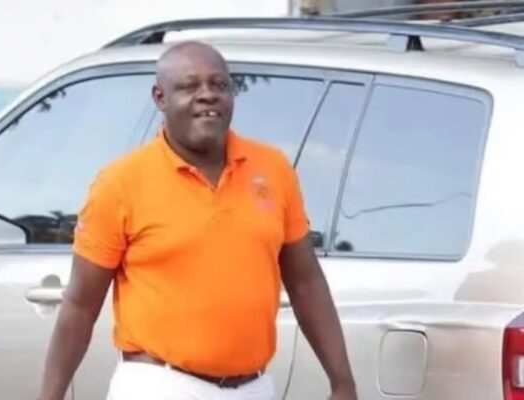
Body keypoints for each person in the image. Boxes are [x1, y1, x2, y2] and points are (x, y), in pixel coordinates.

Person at [38, 41, 357, 400]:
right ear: (160, 98)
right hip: (159, 384)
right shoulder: (121, 183)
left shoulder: (273, 169)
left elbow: (305, 282)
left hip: (253, 387)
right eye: (189, 86)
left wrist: (342, 382)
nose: (207, 95)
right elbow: (81, 304)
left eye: (219, 85)